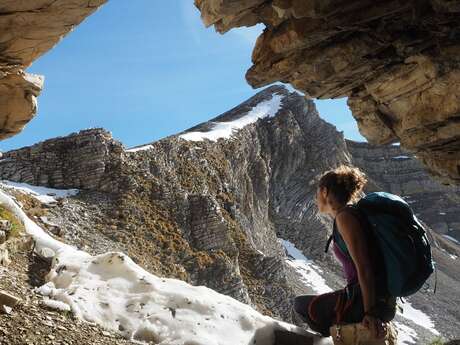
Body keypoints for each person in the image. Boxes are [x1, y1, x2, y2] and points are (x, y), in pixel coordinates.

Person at [292, 165, 396, 339]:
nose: (316, 198)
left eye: (317, 192)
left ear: (324, 192)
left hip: (366, 302)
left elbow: (364, 267)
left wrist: (370, 313)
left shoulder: (345, 217)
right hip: (376, 298)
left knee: (301, 305)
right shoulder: (352, 214)